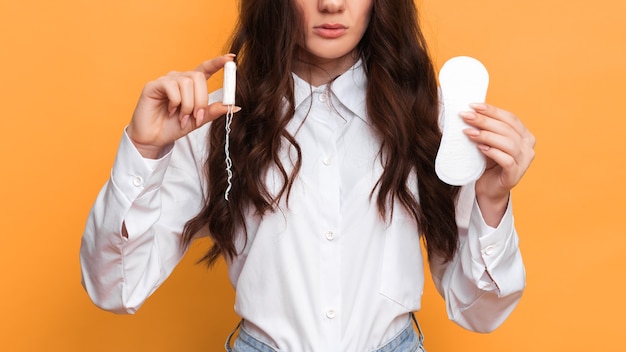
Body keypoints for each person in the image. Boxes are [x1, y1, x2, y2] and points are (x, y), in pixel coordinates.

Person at [80, 0, 535, 351]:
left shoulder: (429, 119)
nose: (332, 4)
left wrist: (491, 201)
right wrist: (145, 152)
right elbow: (115, 288)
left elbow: (479, 311)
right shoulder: (215, 120)